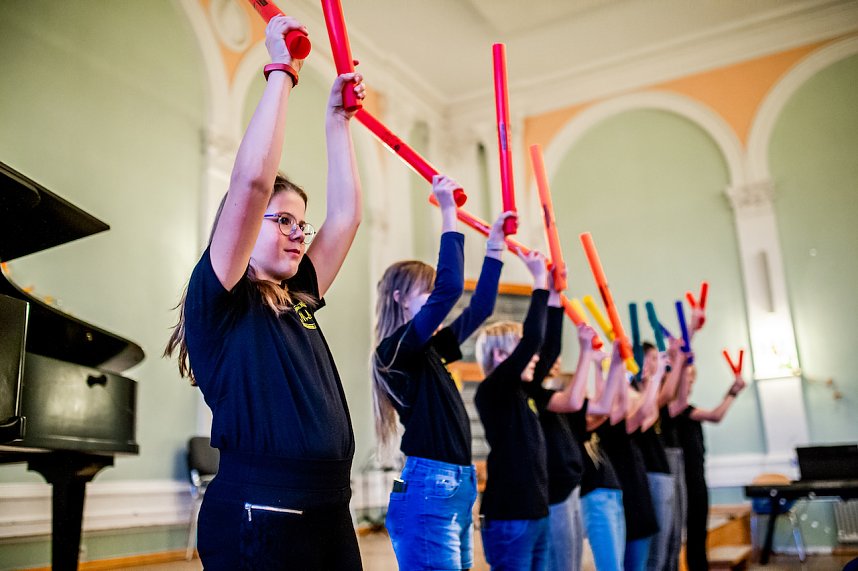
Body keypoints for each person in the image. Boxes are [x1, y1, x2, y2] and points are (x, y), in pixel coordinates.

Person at [164, 15, 365, 569]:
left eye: (302, 224)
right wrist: (281, 70)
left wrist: (337, 121)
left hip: (330, 507)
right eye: (283, 221)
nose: (300, 234)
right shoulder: (222, 300)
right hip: (262, 512)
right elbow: (252, 184)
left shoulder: (295, 295)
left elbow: (346, 217)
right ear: (245, 227)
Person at [372, 188, 514, 570]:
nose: (437, 296)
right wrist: (448, 211)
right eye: (427, 290)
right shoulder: (394, 351)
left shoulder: (431, 349)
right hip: (429, 488)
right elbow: (451, 289)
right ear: (401, 297)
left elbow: (480, 306)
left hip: (456, 485)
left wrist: (496, 246)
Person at [474, 250, 556, 570]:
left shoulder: (524, 391)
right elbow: (534, 340)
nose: (532, 357)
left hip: (537, 514)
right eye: (519, 349)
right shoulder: (494, 389)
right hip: (510, 517)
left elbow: (549, 348)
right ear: (499, 356)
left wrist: (557, 301)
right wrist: (539, 280)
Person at [671, 362, 747, 571]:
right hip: (683, 479)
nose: (691, 382)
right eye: (687, 377)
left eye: (692, 378)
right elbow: (715, 416)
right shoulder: (678, 410)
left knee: (698, 534)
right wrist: (732, 393)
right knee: (685, 536)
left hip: (696, 476)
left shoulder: (687, 408)